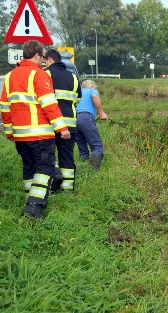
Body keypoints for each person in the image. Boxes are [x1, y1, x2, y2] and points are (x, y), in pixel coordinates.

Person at [0, 40, 70, 219]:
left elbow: (5, 108)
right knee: (45, 168)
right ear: (37, 55)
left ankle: (30, 200)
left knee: (29, 168)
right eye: (43, 57)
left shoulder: (10, 77)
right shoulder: (39, 75)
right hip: (39, 134)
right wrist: (61, 128)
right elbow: (49, 104)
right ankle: (34, 208)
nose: (44, 61)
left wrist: (9, 132)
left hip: (21, 136)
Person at [44, 49, 82, 192]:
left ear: (50, 60)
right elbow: (78, 99)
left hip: (50, 123)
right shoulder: (73, 77)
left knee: (48, 153)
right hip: (69, 123)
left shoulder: (46, 74)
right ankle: (68, 189)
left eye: (45, 61)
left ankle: (54, 179)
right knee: (67, 155)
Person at [75, 80, 107, 170]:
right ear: (92, 86)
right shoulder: (92, 90)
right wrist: (101, 113)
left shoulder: (78, 93)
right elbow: (94, 96)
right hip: (86, 118)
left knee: (82, 147)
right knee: (97, 145)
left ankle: (83, 166)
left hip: (74, 119)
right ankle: (94, 169)